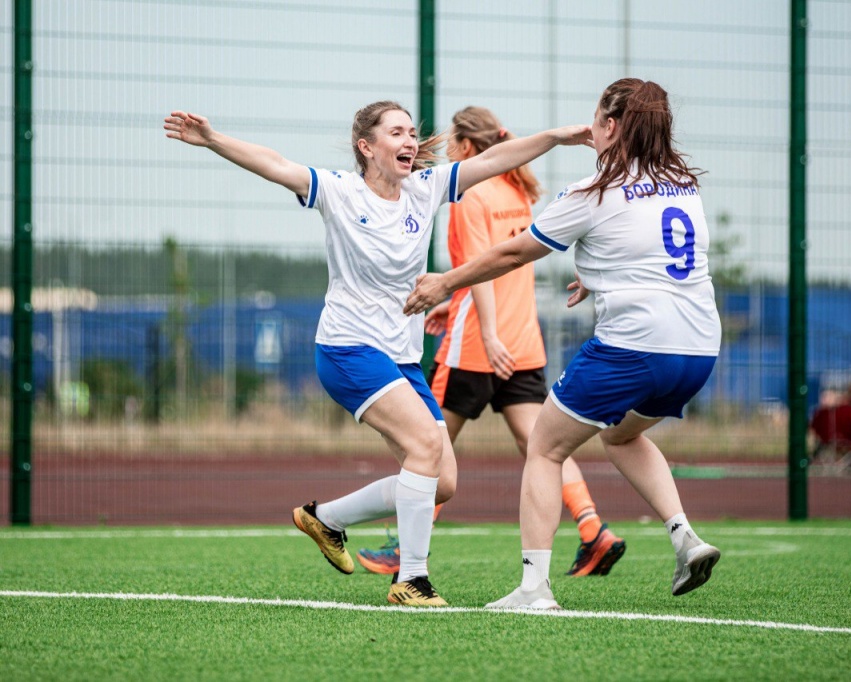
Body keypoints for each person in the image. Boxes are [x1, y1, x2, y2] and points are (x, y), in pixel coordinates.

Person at [164, 103, 591, 607]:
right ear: (367, 147)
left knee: (443, 481)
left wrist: (556, 137)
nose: (410, 140)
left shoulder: (425, 189)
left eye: (412, 132)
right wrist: (214, 139)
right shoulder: (340, 192)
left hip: (401, 358)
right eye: (396, 132)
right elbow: (274, 163)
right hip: (348, 349)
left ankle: (327, 519)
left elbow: (497, 160)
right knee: (425, 451)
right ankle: (412, 579)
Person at [405, 78, 722, 609]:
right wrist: (599, 275)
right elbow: (655, 254)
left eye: (597, 118)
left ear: (611, 126)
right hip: (697, 349)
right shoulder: (682, 183)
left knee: (545, 448)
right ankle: (684, 537)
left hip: (635, 347)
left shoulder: (592, 192)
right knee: (620, 436)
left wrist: (445, 282)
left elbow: (512, 255)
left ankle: (534, 588)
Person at [356, 106, 625, 578]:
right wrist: (459, 308)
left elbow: (480, 271)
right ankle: (593, 530)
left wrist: (483, 330)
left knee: (428, 445)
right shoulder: (516, 190)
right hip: (523, 342)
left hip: (479, 344)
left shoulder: (470, 196)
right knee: (542, 444)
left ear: (463, 147)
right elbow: (504, 268)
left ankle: (403, 549)